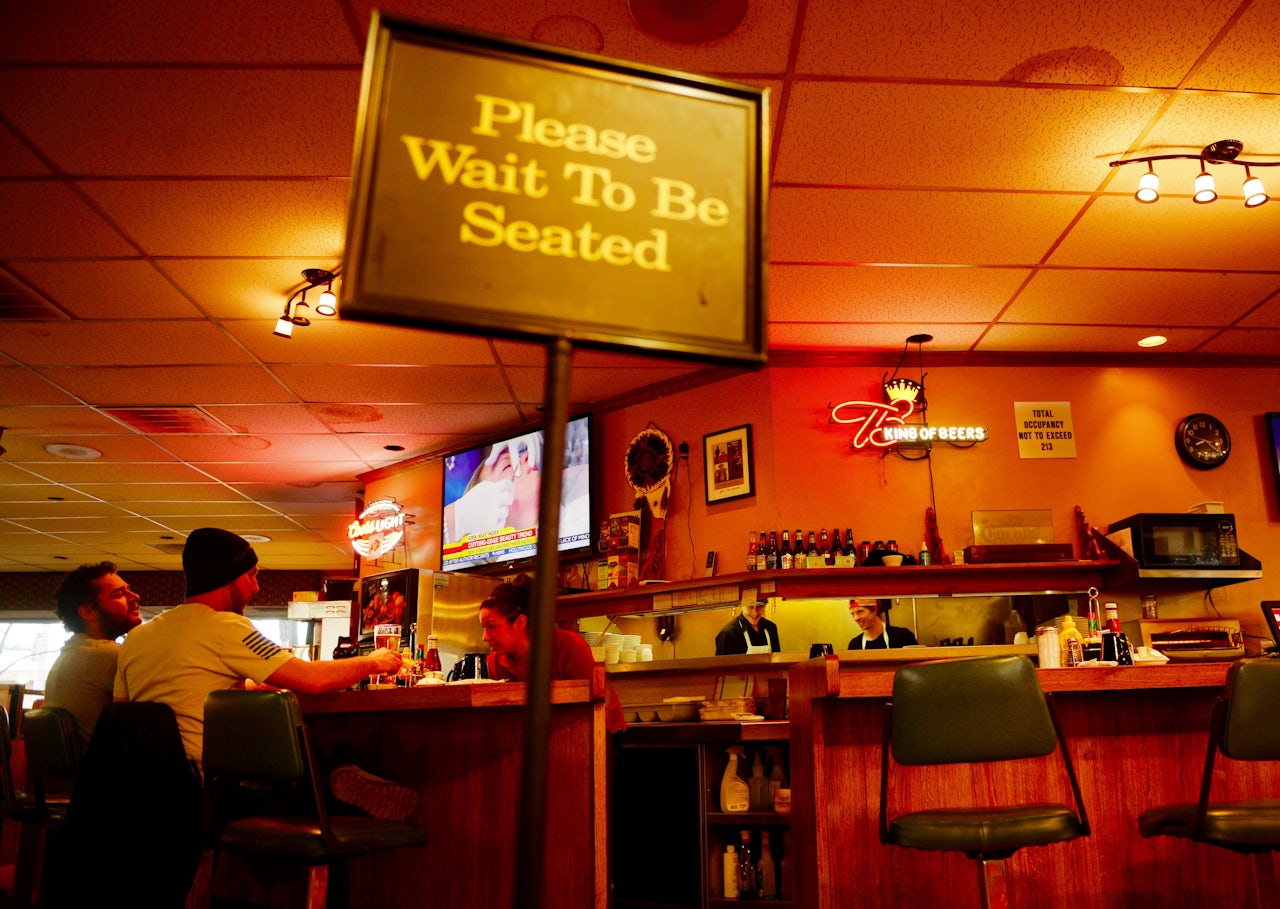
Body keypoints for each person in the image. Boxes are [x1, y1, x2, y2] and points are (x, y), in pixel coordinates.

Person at [114, 527, 413, 818]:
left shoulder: (138, 638)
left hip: (146, 788)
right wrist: (375, 661)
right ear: (226, 576)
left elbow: (127, 709)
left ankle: (335, 779)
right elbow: (313, 680)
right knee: (329, 771)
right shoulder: (225, 626)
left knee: (323, 773)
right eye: (251, 575)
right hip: (214, 791)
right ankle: (336, 782)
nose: (256, 587)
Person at [479, 573, 625, 733]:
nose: (485, 637)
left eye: (491, 627)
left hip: (602, 734)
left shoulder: (569, 648)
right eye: (483, 628)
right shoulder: (495, 663)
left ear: (520, 622)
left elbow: (589, 711)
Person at [45, 561, 142, 747]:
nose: (135, 596)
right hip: (108, 773)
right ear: (88, 612)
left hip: (86, 773)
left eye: (128, 589)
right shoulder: (105, 655)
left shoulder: (74, 652)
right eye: (119, 594)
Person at [715, 597, 780, 655]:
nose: (755, 613)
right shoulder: (728, 634)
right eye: (750, 606)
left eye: (760, 606)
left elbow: (777, 662)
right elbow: (721, 667)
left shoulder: (771, 628)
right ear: (742, 605)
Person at [847, 598, 918, 649]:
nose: (855, 618)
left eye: (860, 612)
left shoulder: (903, 636)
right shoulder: (854, 645)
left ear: (874, 610)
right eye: (852, 614)